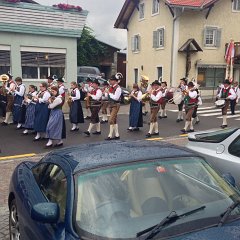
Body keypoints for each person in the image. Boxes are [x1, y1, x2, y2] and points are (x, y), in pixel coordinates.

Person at [105, 73, 123, 140]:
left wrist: (109, 93)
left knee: (111, 119)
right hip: (111, 104)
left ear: (115, 81)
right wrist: (106, 92)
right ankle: (117, 135)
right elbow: (107, 96)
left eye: (111, 80)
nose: (110, 81)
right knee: (114, 120)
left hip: (116, 104)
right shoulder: (111, 87)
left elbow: (116, 98)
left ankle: (110, 135)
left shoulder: (118, 88)